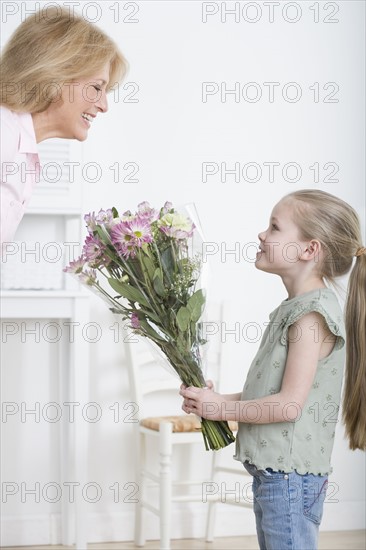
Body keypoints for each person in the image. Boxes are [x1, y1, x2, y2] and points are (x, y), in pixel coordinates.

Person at [180, 189, 366, 550]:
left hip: (289, 478)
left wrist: (220, 409)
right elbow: (270, 395)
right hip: (278, 476)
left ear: (309, 250)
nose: (262, 235)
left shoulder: (311, 316)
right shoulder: (295, 308)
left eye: (275, 227)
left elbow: (287, 406)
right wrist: (212, 400)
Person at [0, 6, 127, 244]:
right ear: (56, 76)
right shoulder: (4, 131)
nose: (103, 105)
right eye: (97, 87)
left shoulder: (23, 149)